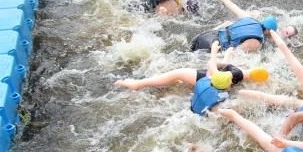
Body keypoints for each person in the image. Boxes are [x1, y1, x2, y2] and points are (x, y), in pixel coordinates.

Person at [114, 41, 268, 92]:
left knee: (177, 73)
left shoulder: (232, 73)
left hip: (207, 80)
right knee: (180, 81)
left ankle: (138, 84)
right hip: (214, 86)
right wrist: (228, 55)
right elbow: (224, 66)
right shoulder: (241, 77)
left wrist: (214, 50)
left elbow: (212, 67)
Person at [190, 0, 297, 52]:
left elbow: (230, 4)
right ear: (270, 31)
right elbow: (233, 55)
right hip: (210, 46)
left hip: (204, 36)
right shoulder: (255, 43)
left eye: (287, 32)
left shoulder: (249, 19)